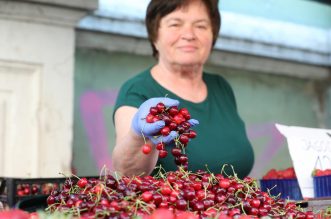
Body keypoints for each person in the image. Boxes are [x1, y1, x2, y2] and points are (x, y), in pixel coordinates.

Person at [111, 0, 254, 179]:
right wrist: (139, 137)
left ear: (213, 34)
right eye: (175, 24)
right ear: (155, 35)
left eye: (200, 26)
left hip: (231, 206)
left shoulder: (221, 87)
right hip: (167, 207)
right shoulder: (137, 91)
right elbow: (127, 173)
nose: (189, 34)